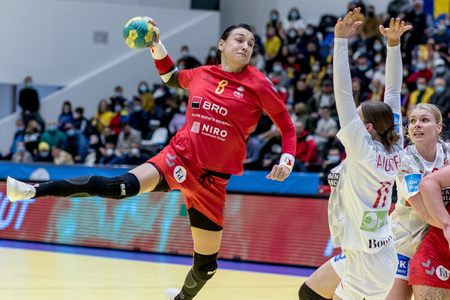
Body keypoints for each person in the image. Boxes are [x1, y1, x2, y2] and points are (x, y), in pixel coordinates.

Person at [7, 19, 296, 300]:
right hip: (178, 159)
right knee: (117, 188)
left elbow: (287, 127)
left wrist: (286, 160)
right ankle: (33, 190)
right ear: (221, 44)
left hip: (212, 182)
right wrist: (156, 44)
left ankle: (181, 298)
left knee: (206, 267)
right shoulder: (201, 74)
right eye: (239, 40)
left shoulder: (259, 84)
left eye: (251, 43)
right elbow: (171, 77)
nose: (245, 46)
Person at [298, 13, 407, 300]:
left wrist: (340, 42)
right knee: (308, 292)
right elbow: (393, 91)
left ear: (367, 128)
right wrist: (393, 45)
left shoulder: (362, 151)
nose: (351, 123)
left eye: (357, 120)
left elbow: (343, 94)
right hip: (372, 251)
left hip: (366, 262)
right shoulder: (395, 145)